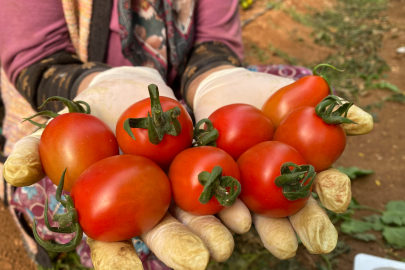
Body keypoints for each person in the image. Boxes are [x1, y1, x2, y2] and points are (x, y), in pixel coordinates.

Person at [0, 0, 373, 269]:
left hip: (179, 113)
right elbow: (37, 57)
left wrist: (216, 78)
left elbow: (214, 43)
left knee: (290, 83)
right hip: (87, 103)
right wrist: (100, 83)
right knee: (54, 180)